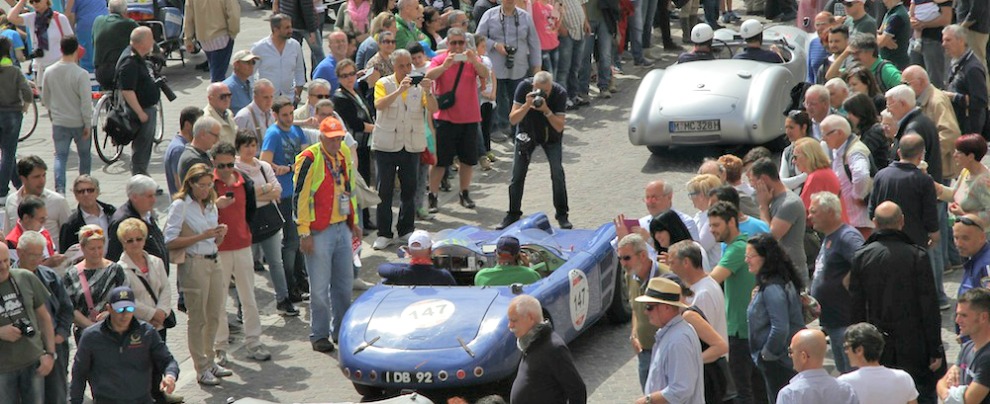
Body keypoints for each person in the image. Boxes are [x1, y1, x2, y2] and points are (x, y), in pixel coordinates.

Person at [850, 201, 944, 402]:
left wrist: (858, 344)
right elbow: (929, 306)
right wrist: (935, 347)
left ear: (874, 222)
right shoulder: (917, 255)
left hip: (876, 344)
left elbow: (856, 307)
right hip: (913, 343)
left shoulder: (861, 256)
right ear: (902, 221)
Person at [293, 116, 361, 353]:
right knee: (320, 289)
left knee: (343, 285)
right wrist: (304, 233)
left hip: (342, 226)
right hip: (318, 231)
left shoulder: (342, 153)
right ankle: (319, 334)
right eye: (331, 139)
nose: (336, 142)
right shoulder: (309, 158)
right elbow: (299, 198)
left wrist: (355, 220)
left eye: (339, 138)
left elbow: (349, 188)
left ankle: (340, 330)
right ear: (321, 136)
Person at [164, 164, 231, 386]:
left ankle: (210, 360)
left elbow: (213, 240)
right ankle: (200, 367)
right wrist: (201, 236)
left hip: (214, 260)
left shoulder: (211, 203)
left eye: (209, 184)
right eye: (201, 185)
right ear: (190, 184)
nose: (205, 189)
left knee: (214, 314)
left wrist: (219, 234)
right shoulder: (180, 205)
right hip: (194, 264)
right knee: (198, 318)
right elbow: (170, 240)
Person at [371, 49, 437, 249]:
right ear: (393, 66)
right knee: (385, 189)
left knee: (410, 188)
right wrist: (399, 91)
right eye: (402, 65)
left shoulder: (419, 85)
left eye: (409, 65)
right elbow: (379, 105)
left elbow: (433, 109)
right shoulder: (383, 83)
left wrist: (428, 91)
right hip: (386, 145)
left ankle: (406, 229)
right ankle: (384, 233)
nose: (407, 69)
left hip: (411, 144)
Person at [69, 286, 179, 404]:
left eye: (130, 309)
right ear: (109, 308)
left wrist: (170, 376)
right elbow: (79, 374)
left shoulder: (146, 333)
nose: (125, 314)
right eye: (120, 310)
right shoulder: (91, 337)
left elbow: (167, 361)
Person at [211, 142, 268, 363]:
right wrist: (217, 205)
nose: (225, 170)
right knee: (219, 300)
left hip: (243, 246)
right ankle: (220, 346)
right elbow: (200, 213)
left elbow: (250, 213)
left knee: (249, 297)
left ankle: (254, 341)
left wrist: (246, 234)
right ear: (213, 163)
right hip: (219, 250)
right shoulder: (208, 185)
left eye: (229, 164)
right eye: (220, 165)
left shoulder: (246, 183)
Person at [425, 27, 489, 213]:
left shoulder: (471, 59)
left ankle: (464, 193)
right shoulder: (440, 59)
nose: (457, 46)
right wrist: (445, 66)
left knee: (467, 160)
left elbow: (485, 73)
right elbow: (428, 77)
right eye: (453, 43)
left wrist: (474, 61)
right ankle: (433, 196)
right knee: (440, 162)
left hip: (469, 118)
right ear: (448, 44)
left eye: (461, 43)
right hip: (446, 119)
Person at [707, 201, 766, 403]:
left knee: (743, 389)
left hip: (741, 330)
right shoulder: (736, 246)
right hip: (743, 328)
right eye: (711, 225)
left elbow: (711, 280)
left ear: (731, 222)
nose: (711, 230)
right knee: (756, 386)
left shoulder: (737, 248)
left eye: (716, 225)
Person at [496, 72, 571, 230]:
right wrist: (526, 105)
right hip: (526, 133)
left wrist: (546, 110)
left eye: (545, 91)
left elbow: (559, 125)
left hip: (551, 136)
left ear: (551, 87)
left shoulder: (559, 93)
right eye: (538, 90)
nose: (541, 95)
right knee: (517, 175)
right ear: (533, 87)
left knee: (557, 173)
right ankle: (513, 213)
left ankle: (562, 214)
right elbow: (513, 119)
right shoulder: (523, 87)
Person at [234, 132, 298, 316]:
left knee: (275, 262)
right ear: (239, 147)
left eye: (253, 145)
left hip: (268, 221)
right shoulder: (236, 170)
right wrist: (265, 190)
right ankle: (242, 307)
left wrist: (257, 193)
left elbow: (277, 190)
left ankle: (283, 300)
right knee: (245, 268)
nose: (250, 149)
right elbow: (243, 196)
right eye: (246, 145)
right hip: (247, 223)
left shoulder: (263, 166)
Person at [807, 191, 864, 374]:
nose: (809, 216)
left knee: (851, 376)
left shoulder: (847, 236)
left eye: (814, 211)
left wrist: (849, 279)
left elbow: (864, 260)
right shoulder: (830, 237)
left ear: (830, 212)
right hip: (832, 322)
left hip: (845, 322)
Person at [745, 233, 805, 403]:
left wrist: (767, 354)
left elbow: (780, 327)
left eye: (751, 256)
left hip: (779, 362)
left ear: (766, 258)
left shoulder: (773, 287)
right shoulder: (775, 283)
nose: (746, 260)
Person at [261, 97, 309, 302]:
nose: (289, 118)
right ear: (275, 115)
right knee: (290, 241)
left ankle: (301, 281)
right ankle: (290, 286)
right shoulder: (273, 134)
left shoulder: (297, 130)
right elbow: (264, 162)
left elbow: (306, 156)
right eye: (284, 115)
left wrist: (290, 168)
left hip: (300, 191)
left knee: (298, 240)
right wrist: (283, 170)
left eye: (291, 114)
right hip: (285, 193)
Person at [17, 231, 73, 404]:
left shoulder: (50, 277)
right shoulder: (9, 278)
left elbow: (66, 308)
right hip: (24, 350)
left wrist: (61, 334)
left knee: (56, 395)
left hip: (54, 346)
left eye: (40, 255)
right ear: (19, 252)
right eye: (31, 255)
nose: (36, 259)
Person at [0, 242, 57, 403]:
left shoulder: (25, 277)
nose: (4, 267)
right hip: (3, 369)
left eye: (6, 261)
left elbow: (45, 318)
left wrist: (50, 354)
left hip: (33, 361)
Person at [634, 277, 705, 404]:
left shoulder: (678, 340)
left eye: (649, 307)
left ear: (666, 307)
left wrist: (647, 400)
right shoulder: (672, 334)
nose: (645, 312)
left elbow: (681, 389)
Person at [476, 0, 541, 135]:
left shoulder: (525, 17)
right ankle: (497, 129)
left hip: (518, 67)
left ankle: (518, 131)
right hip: (495, 68)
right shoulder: (489, 15)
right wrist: (495, 45)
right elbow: (478, 38)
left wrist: (537, 67)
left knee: (518, 99)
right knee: (496, 100)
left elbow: (534, 43)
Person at [507, 294, 587, 403]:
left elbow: (577, 390)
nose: (510, 325)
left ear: (530, 318)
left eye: (514, 320)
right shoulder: (530, 342)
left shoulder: (554, 348)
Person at [41, 36, 92, 195]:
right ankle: (84, 188)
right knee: (84, 156)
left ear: (60, 49)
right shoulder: (81, 74)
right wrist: (88, 123)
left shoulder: (49, 71)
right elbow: (85, 102)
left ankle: (60, 190)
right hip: (78, 122)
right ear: (76, 49)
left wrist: (52, 112)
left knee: (60, 157)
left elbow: (45, 98)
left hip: (59, 122)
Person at [869, 135, 940, 246]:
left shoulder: (881, 175)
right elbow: (930, 214)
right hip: (914, 242)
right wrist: (934, 236)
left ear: (898, 152)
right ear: (920, 156)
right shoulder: (924, 180)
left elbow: (872, 210)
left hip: (884, 241)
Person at [62, 224, 129, 341]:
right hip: (85, 334)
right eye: (92, 249)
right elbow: (69, 307)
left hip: (113, 330)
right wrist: (91, 326)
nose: (97, 252)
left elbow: (125, 297)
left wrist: (110, 313)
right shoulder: (71, 274)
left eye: (100, 247)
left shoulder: (115, 270)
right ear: (82, 248)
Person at [750, 158, 809, 288]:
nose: (753, 187)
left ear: (764, 179)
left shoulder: (789, 203)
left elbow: (769, 237)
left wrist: (763, 207)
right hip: (777, 270)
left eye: (753, 181)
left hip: (791, 272)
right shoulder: (774, 200)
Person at [332, 59, 376, 230]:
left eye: (351, 74)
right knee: (357, 182)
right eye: (344, 76)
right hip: (354, 144)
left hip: (364, 143)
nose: (349, 78)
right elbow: (355, 123)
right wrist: (377, 128)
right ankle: (359, 222)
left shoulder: (355, 91)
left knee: (364, 180)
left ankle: (365, 218)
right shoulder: (340, 97)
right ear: (338, 78)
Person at [901, 65, 961, 185]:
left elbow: (950, 133)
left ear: (921, 82)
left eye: (907, 84)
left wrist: (929, 156)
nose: (904, 88)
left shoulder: (936, 101)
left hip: (939, 170)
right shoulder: (922, 99)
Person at [619, 233, 663, 389]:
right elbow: (635, 308)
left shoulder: (665, 277)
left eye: (627, 258)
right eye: (620, 259)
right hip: (644, 351)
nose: (623, 263)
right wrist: (634, 333)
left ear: (643, 255)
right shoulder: (630, 276)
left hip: (665, 351)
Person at [837, 322, 920, 404]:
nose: (846, 351)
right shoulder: (904, 378)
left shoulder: (844, 383)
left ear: (859, 350)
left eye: (847, 347)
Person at [820, 115, 874, 238]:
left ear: (839, 133)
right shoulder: (839, 150)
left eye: (825, 134)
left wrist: (858, 195)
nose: (823, 139)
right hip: (848, 220)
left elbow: (862, 175)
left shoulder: (855, 151)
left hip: (859, 222)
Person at [117, 27, 161, 177]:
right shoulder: (129, 62)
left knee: (144, 147)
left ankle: (142, 177)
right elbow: (127, 91)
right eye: (151, 39)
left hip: (146, 108)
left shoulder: (137, 57)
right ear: (143, 42)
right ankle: (140, 179)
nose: (153, 42)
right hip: (142, 110)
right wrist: (140, 113)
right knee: (142, 148)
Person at [776, 329, 860, 403]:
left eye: (791, 351)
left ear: (803, 356)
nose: (790, 356)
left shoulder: (789, 393)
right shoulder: (846, 390)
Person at [668, 240, 728, 344]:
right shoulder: (704, 285)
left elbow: (702, 337)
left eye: (672, 263)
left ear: (686, 262)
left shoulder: (704, 294)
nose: (670, 268)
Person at [5, 156, 70, 250]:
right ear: (23, 178)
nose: (42, 181)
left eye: (44, 175)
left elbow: (69, 233)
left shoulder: (58, 201)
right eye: (36, 177)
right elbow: (8, 234)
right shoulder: (11, 201)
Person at [937, 288, 990, 403]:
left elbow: (967, 401)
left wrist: (947, 393)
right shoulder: (967, 347)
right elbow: (940, 383)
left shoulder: (987, 359)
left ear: (983, 317)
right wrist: (949, 393)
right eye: (957, 314)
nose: (957, 320)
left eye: (964, 315)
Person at [6, 0, 73, 88]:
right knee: (45, 100)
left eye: (37, 0)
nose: (35, 3)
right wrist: (23, 1)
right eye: (32, 1)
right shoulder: (31, 18)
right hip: (40, 67)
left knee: (61, 98)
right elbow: (11, 18)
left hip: (59, 65)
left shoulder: (59, 18)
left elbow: (72, 43)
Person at [106, 175, 168, 266]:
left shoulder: (146, 213)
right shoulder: (122, 221)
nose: (154, 200)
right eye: (149, 196)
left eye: (154, 195)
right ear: (135, 197)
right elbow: (114, 258)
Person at [887, 85, 943, 182]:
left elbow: (918, 164)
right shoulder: (922, 120)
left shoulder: (913, 129)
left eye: (889, 105)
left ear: (902, 104)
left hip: (916, 189)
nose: (888, 110)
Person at [943, 24, 989, 137]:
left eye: (948, 40)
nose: (944, 44)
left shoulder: (973, 68)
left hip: (969, 128)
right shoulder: (955, 62)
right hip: (957, 122)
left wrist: (953, 97)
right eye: (943, 40)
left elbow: (981, 100)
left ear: (961, 41)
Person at [0, 37, 31, 201]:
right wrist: (25, 105)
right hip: (12, 113)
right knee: (8, 153)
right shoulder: (14, 71)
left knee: (6, 153)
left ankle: (19, 184)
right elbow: (27, 92)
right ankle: (2, 191)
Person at [936, 134, 990, 226]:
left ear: (970, 156)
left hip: (978, 236)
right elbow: (954, 194)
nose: (954, 155)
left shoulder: (983, 181)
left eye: (958, 152)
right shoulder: (966, 172)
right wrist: (933, 186)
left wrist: (964, 215)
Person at [251, 14, 306, 103]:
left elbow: (299, 69)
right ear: (276, 30)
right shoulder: (259, 48)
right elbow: (250, 73)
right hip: (266, 101)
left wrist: (298, 90)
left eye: (290, 27)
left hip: (289, 98)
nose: (290, 30)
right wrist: (256, 92)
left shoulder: (295, 45)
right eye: (287, 28)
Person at [183, 0, 240, 83]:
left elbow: (188, 17)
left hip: (204, 40)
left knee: (216, 72)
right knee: (218, 77)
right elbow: (233, 14)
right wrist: (233, 32)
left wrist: (188, 39)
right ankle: (217, 94)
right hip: (221, 37)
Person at [793, 137, 847, 223]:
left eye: (795, 157)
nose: (793, 161)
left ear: (808, 156)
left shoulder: (816, 177)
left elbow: (803, 212)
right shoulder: (826, 172)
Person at [59, 175, 115, 253]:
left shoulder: (111, 212)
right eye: (81, 191)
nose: (86, 194)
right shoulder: (70, 225)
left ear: (97, 192)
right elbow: (66, 254)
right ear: (75, 195)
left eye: (90, 190)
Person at [378, 230, 456, 285]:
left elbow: (382, 268)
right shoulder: (443, 275)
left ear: (408, 251)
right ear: (430, 250)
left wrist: (407, 260)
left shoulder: (399, 273)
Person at [91, 0, 136, 89]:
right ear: (125, 11)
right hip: (118, 70)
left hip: (99, 71)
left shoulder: (98, 21)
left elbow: (93, 40)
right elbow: (144, 37)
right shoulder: (128, 23)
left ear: (109, 9)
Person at [6, 196, 60, 267]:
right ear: (26, 218)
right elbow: (17, 272)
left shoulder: (44, 232)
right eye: (41, 219)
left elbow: (53, 252)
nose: (44, 223)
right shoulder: (12, 242)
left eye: (45, 219)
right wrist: (47, 265)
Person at [843, 92, 891, 170]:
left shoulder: (875, 131)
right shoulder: (861, 131)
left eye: (850, 113)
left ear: (859, 112)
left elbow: (861, 152)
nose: (848, 117)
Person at [273, 0, 324, 71]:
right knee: (318, 54)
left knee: (296, 55)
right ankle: (322, 76)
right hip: (304, 25)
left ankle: (301, 79)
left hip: (290, 22)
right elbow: (307, 9)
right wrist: (312, 30)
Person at [685, 174, 723, 270]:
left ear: (701, 195)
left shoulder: (713, 217)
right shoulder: (700, 215)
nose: (691, 199)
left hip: (713, 272)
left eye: (691, 194)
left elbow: (700, 247)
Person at [165, 108, 205, 196]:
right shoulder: (179, 149)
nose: (202, 129)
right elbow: (179, 183)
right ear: (187, 125)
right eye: (198, 125)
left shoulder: (181, 144)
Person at [475, 236, 542, 286]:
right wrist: (527, 267)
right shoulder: (531, 275)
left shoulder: (481, 276)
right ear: (518, 254)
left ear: (496, 252)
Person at [954, 215, 990, 302]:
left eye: (965, 238)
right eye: (956, 237)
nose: (959, 244)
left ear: (982, 238)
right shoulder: (973, 256)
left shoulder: (986, 265)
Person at [177, 116, 221, 183]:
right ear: (203, 134)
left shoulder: (201, 154)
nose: (218, 140)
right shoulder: (194, 160)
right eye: (216, 136)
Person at [234, 79, 276, 146]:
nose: (269, 101)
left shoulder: (271, 114)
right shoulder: (243, 117)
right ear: (255, 97)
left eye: (271, 97)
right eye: (266, 97)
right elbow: (236, 145)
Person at [779, 110, 812, 191]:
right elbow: (782, 182)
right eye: (786, 128)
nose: (787, 132)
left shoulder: (815, 148)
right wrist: (806, 176)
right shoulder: (787, 152)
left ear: (804, 127)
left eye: (791, 127)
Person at [222, 50, 260, 115]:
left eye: (253, 62)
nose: (251, 65)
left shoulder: (249, 84)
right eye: (248, 62)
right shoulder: (227, 87)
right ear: (236, 64)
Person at [877, 0, 911, 69]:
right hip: (887, 63)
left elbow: (880, 43)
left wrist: (883, 39)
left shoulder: (897, 16)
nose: (883, 1)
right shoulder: (890, 13)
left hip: (896, 64)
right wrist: (883, 38)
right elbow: (879, 32)